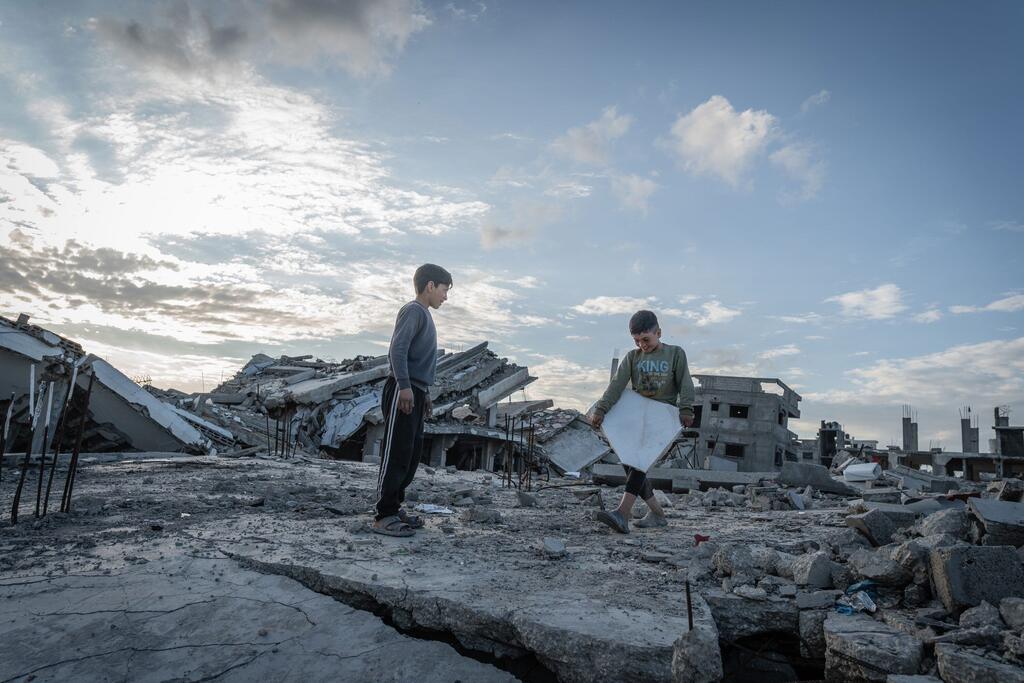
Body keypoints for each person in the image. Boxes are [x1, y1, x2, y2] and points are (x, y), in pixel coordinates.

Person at [589, 309, 695, 534]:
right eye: (636, 340)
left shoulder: (675, 354)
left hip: (663, 415)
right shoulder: (632, 357)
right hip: (636, 412)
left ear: (658, 332)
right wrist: (601, 408)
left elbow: (685, 383)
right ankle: (657, 513)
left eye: (645, 339)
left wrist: (686, 408)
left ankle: (621, 513)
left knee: (639, 463)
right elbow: (617, 386)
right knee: (631, 463)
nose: (642, 345)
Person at [372, 263, 452, 537]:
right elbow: (398, 349)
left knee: (411, 453)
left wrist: (423, 392)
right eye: (444, 290)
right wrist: (404, 386)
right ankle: (384, 515)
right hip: (401, 390)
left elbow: (418, 359)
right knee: (396, 452)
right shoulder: (414, 310)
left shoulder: (425, 315)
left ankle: (395, 507)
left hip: (415, 391)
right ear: (430, 285)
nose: (445, 296)